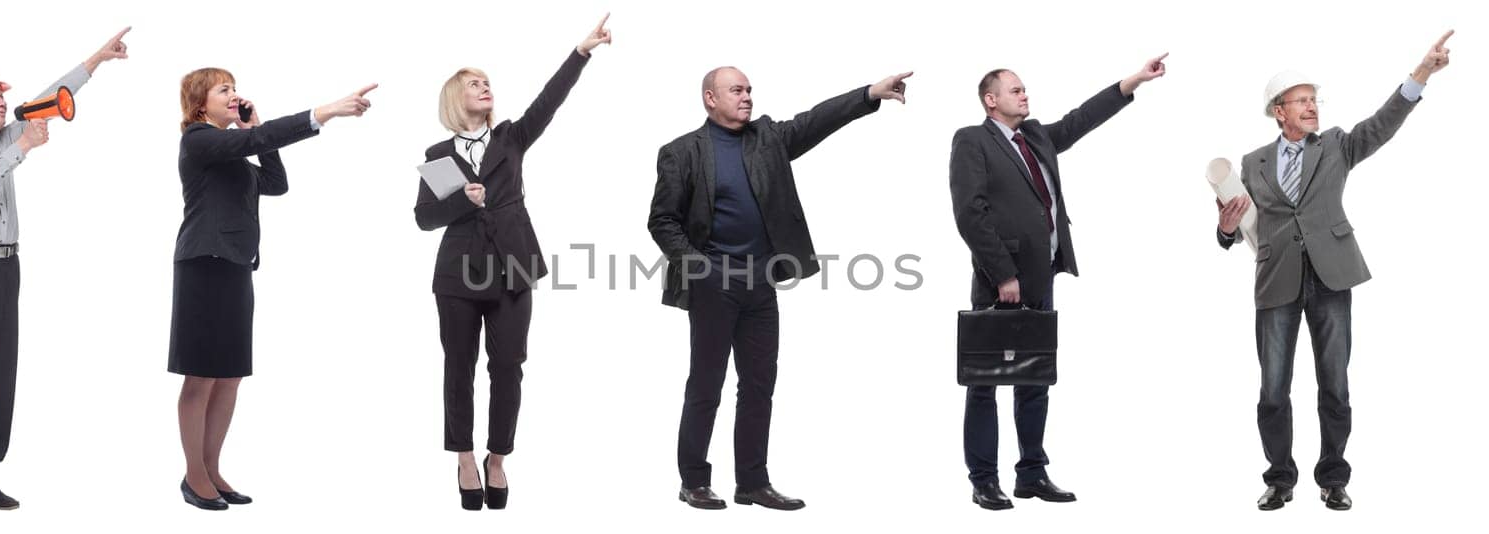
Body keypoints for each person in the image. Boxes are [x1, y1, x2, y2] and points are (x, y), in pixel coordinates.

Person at [648, 63, 914, 511]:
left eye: (750, 89)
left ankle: (752, 481)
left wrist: (870, 93)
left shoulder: (767, 138)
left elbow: (816, 120)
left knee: (758, 385)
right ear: (710, 99)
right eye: (736, 90)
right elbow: (662, 220)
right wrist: (701, 268)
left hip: (761, 284)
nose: (747, 96)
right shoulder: (682, 152)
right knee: (706, 385)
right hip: (713, 285)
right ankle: (693, 480)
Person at [1215, 31, 1453, 512]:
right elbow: (1237, 228)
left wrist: (1421, 73)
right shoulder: (1251, 162)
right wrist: (1223, 229)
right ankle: (1280, 478)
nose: (1311, 107)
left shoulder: (1338, 146)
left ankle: (1333, 477)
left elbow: (1383, 124)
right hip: (1275, 280)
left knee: (1335, 385)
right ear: (1278, 111)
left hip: (1331, 277)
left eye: (1313, 100)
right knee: (1273, 391)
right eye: (1300, 101)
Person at [0, 27, 131, 512]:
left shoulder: (4, 138)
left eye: (1, 95)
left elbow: (47, 101)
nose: (1, 101)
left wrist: (95, 61)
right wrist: (23, 149)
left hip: (5, 268)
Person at [412, 13, 611, 512]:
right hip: (457, 274)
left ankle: (497, 458)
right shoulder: (439, 153)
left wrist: (581, 52)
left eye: (487, 83)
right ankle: (463, 457)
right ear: (456, 99)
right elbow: (423, 218)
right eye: (474, 84)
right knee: (458, 369)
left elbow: (549, 100)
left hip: (514, 268)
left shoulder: (510, 139)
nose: (485, 88)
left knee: (508, 367)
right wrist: (464, 200)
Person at [949, 55, 1166, 510]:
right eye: (1015, 90)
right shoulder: (972, 141)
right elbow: (970, 213)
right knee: (984, 382)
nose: (1025, 94)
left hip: (1042, 275)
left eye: (1024, 89)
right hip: (1000, 282)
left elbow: (1081, 120)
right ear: (991, 101)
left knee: (1035, 379)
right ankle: (984, 479)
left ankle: (1031, 473)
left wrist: (1133, 82)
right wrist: (1002, 273)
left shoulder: (1036, 137)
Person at [170, 66, 375, 511]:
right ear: (201, 103)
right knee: (201, 373)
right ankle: (193, 474)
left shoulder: (234, 152)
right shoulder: (199, 141)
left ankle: (212, 467)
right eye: (225, 89)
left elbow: (277, 184)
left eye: (235, 89)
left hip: (236, 268)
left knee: (229, 374)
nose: (235, 95)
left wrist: (258, 128)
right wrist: (326, 112)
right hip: (203, 266)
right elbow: (249, 145)